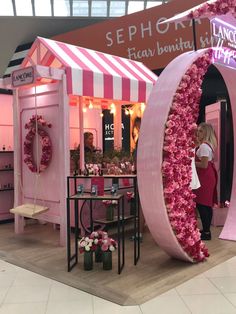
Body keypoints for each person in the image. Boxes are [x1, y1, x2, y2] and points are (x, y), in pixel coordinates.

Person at [195, 122, 218, 241]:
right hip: (208, 176)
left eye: (201, 131)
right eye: (198, 131)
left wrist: (190, 162)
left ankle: (206, 232)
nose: (198, 133)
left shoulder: (204, 146)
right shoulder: (207, 145)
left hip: (205, 176)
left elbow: (203, 165)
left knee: (202, 204)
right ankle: (206, 230)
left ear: (206, 133)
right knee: (206, 204)